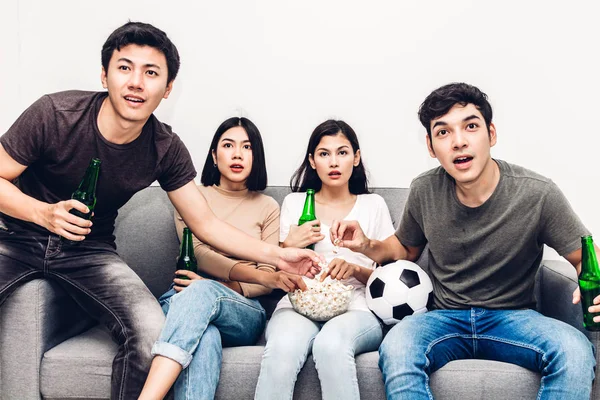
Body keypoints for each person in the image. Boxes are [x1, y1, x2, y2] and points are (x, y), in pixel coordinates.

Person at [0, 22, 319, 400]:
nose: (136, 82)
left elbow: (206, 224)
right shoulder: (55, 113)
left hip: (89, 253)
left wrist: (280, 255)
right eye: (125, 67)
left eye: (151, 73)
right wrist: (43, 213)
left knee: (151, 330)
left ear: (167, 89)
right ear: (104, 74)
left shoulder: (165, 147)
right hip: (15, 238)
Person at [330, 82, 597, 399]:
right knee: (397, 346)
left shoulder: (537, 193)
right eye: (443, 132)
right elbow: (404, 249)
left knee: (575, 350)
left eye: (470, 126)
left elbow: (585, 257)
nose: (458, 142)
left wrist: (591, 280)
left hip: (514, 317)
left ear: (491, 134)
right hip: (444, 319)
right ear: (431, 147)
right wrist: (366, 244)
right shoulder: (424, 190)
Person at [138, 116, 307, 399]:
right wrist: (261, 275)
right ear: (214, 156)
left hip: (242, 310)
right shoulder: (190, 196)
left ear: (257, 157)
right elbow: (200, 255)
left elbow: (268, 280)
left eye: (247, 147)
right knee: (204, 336)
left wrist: (223, 288)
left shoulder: (267, 206)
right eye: (228, 145)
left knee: (203, 290)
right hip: (183, 297)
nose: (238, 154)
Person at [254, 120, 395, 400]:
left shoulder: (373, 205)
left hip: (357, 307)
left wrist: (355, 268)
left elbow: (389, 278)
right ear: (312, 161)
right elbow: (272, 269)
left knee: (331, 345)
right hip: (299, 302)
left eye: (342, 153)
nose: (334, 162)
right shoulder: (295, 204)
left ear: (356, 158)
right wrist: (287, 245)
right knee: (282, 347)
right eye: (324, 153)